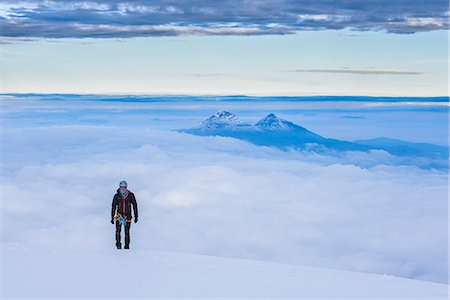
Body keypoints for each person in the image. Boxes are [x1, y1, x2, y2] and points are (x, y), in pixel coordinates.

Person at [111, 180, 138, 249]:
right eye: (121, 187)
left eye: (124, 187)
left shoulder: (131, 195)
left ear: (126, 187)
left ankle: (126, 246)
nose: (123, 188)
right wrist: (112, 217)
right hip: (119, 215)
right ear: (119, 187)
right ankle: (118, 245)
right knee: (118, 231)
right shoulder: (116, 196)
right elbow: (113, 207)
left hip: (128, 216)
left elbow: (135, 206)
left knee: (127, 232)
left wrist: (136, 216)